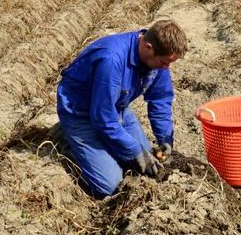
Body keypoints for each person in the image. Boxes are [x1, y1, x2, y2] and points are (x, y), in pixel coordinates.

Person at [56, 19, 188, 198]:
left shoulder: (157, 60)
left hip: (116, 108)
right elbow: (102, 118)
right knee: (110, 187)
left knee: (144, 163)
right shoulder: (111, 60)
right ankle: (68, 141)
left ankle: (103, 149)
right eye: (164, 62)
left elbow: (160, 99)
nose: (167, 68)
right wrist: (134, 150)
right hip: (81, 113)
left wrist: (165, 138)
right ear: (148, 47)